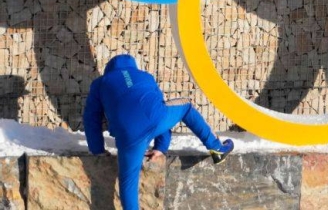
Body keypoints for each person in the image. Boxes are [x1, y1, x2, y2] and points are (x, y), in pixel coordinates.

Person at [84, 54, 234, 210]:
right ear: (133, 66)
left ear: (108, 70)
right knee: (185, 106)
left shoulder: (100, 83)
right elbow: (159, 106)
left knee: (128, 182)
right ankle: (216, 147)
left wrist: (97, 150)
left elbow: (91, 118)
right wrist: (160, 147)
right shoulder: (145, 76)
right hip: (155, 119)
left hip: (129, 134)